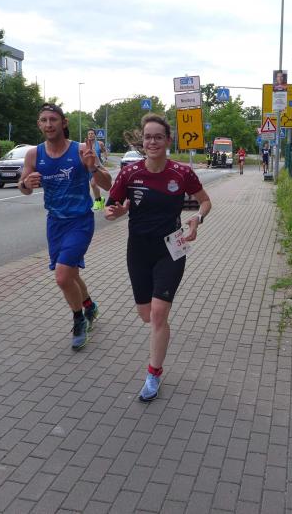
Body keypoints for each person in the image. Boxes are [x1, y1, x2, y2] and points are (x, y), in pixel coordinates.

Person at [104, 113, 212, 402]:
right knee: (146, 315)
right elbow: (109, 208)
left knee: (158, 314)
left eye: (158, 137)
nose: (152, 142)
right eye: (148, 137)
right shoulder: (129, 173)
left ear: (168, 140)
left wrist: (197, 220)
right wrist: (116, 212)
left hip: (171, 249)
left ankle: (153, 373)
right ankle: (156, 347)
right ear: (143, 141)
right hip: (138, 250)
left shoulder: (181, 173)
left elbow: (205, 201)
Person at [19, 103, 113, 351]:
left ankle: (79, 320)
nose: (48, 124)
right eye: (44, 120)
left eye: (53, 119)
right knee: (70, 274)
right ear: (39, 124)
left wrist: (92, 166)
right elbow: (23, 188)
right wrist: (26, 184)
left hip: (80, 221)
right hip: (55, 223)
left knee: (62, 277)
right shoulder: (34, 155)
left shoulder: (81, 150)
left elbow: (108, 184)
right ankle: (89, 306)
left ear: (64, 122)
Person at [86, 129, 109, 211]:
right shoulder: (84, 144)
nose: (90, 135)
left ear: (95, 135)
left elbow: (104, 151)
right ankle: (97, 200)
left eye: (92, 133)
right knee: (86, 186)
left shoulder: (99, 143)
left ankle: (98, 201)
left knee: (93, 184)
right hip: (87, 168)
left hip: (97, 167)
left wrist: (105, 158)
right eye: (89, 133)